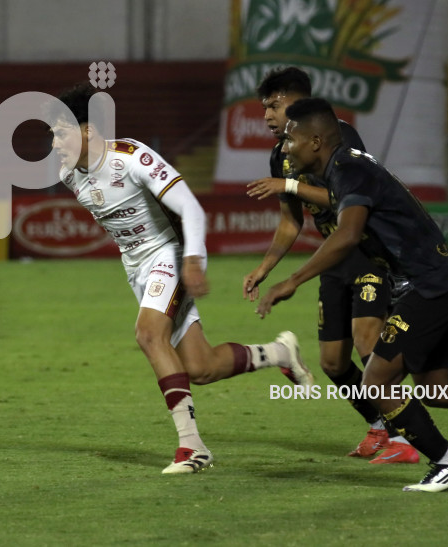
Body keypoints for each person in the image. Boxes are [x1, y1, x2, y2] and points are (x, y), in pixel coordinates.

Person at [256, 97, 448, 492]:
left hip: (429, 287)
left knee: (377, 382)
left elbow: (349, 234)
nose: (285, 148)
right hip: (434, 283)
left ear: (315, 141)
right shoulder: (342, 168)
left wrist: (292, 280)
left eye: (291, 139)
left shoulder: (349, 170)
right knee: (437, 387)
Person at [49, 83, 314, 474]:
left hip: (170, 254)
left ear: (87, 130)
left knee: (148, 334)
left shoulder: (133, 157)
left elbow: (190, 208)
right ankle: (279, 354)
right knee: (201, 367)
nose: (54, 142)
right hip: (137, 268)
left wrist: (191, 260)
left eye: (60, 131)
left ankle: (192, 448)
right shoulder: (70, 173)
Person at [243, 67, 418, 464]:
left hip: (367, 251)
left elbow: (347, 197)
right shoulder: (281, 154)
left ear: (299, 100)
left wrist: (289, 186)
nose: (268, 115)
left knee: (366, 342)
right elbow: (292, 221)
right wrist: (266, 267)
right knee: (333, 363)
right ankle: (378, 425)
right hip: (332, 258)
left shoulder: (339, 136)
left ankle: (405, 438)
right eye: (264, 108)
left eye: (275, 105)